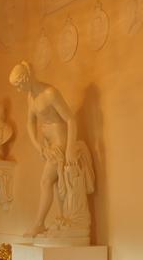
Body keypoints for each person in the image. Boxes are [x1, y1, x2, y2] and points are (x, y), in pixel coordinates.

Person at [9, 61, 94, 238]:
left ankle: (39, 224)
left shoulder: (50, 93)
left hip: (61, 142)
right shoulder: (31, 97)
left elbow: (70, 120)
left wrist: (69, 148)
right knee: (56, 184)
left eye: (19, 85)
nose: (18, 90)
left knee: (46, 181)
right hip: (49, 145)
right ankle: (62, 218)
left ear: (26, 78)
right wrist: (39, 146)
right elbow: (29, 122)